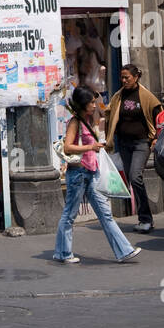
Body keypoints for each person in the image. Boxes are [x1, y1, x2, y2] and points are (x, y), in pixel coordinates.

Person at [53, 86, 142, 265]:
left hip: (91, 171)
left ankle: (124, 251)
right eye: (91, 102)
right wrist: (90, 147)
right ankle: (62, 252)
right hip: (78, 173)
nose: (94, 105)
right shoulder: (75, 122)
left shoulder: (86, 120)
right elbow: (68, 147)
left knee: (105, 214)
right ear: (83, 104)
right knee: (69, 214)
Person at [104, 65, 161, 233]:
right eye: (122, 77)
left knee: (136, 177)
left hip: (141, 143)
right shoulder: (118, 96)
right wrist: (108, 138)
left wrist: (156, 137)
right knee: (130, 179)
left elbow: (159, 114)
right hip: (123, 143)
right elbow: (109, 115)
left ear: (136, 77)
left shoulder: (145, 96)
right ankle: (144, 217)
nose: (123, 80)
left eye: (127, 77)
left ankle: (146, 219)